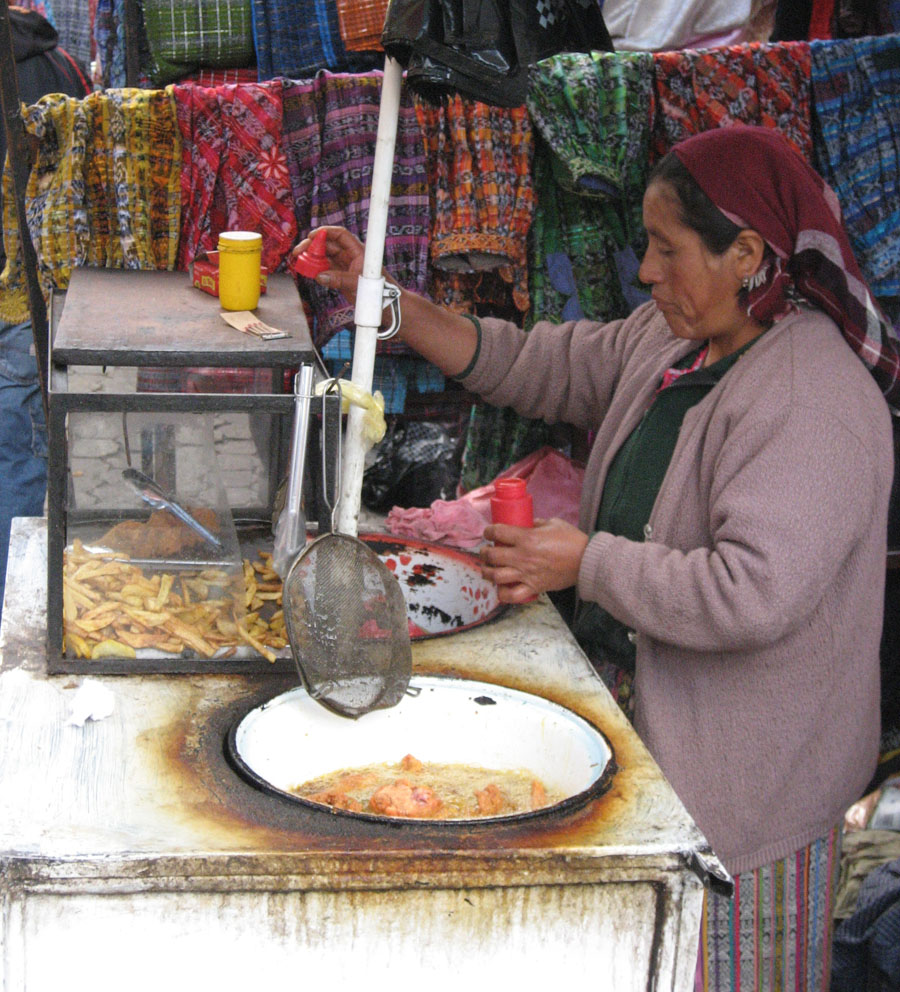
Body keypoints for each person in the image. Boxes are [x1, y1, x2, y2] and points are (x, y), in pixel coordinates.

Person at [292, 124, 897, 991]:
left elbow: (753, 591)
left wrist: (589, 563)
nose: (646, 270)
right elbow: (538, 364)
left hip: (747, 794)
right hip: (645, 735)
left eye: (667, 249)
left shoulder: (810, 398)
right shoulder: (677, 340)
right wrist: (383, 301)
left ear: (746, 255)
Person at [0, 0, 90, 602]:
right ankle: (19, 610)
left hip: (21, 308)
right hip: (30, 306)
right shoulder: (62, 66)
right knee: (22, 466)